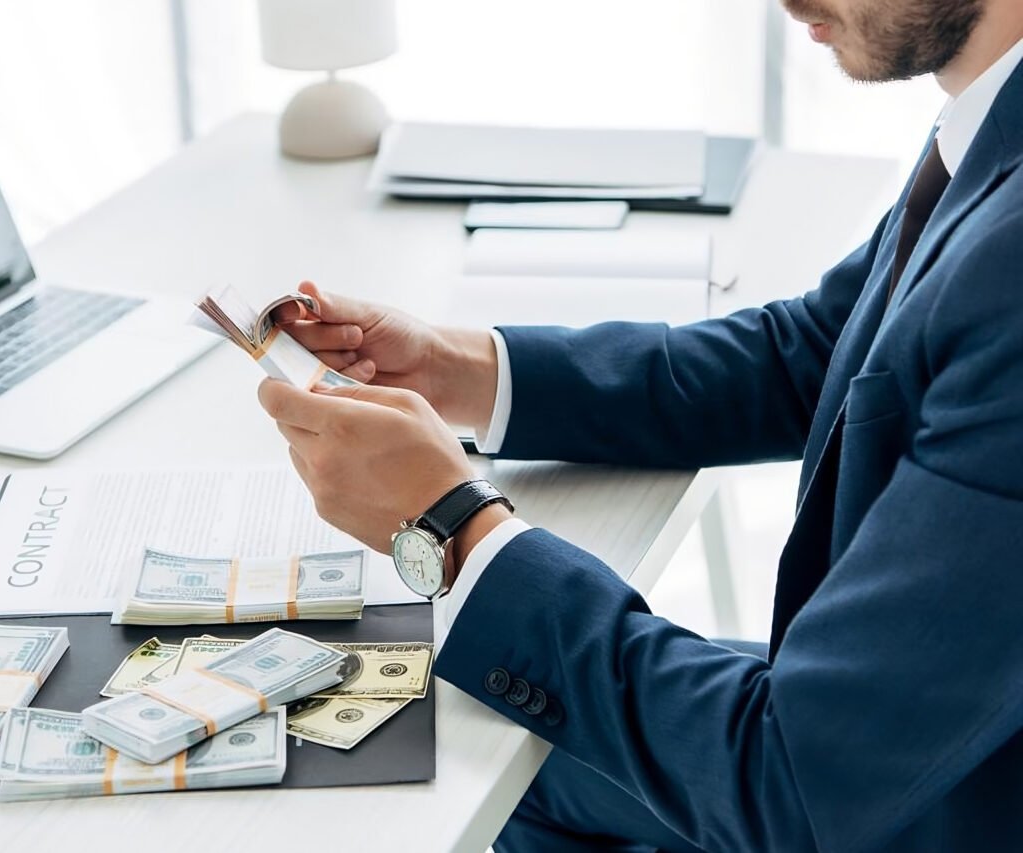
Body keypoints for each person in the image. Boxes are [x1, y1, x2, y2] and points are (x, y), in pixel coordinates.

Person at [257, 0, 1023, 849]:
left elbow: (793, 780)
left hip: (925, 795)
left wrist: (453, 526)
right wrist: (461, 369)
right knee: (484, 723)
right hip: (910, 733)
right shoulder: (994, 118)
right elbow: (821, 349)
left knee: (470, 740)